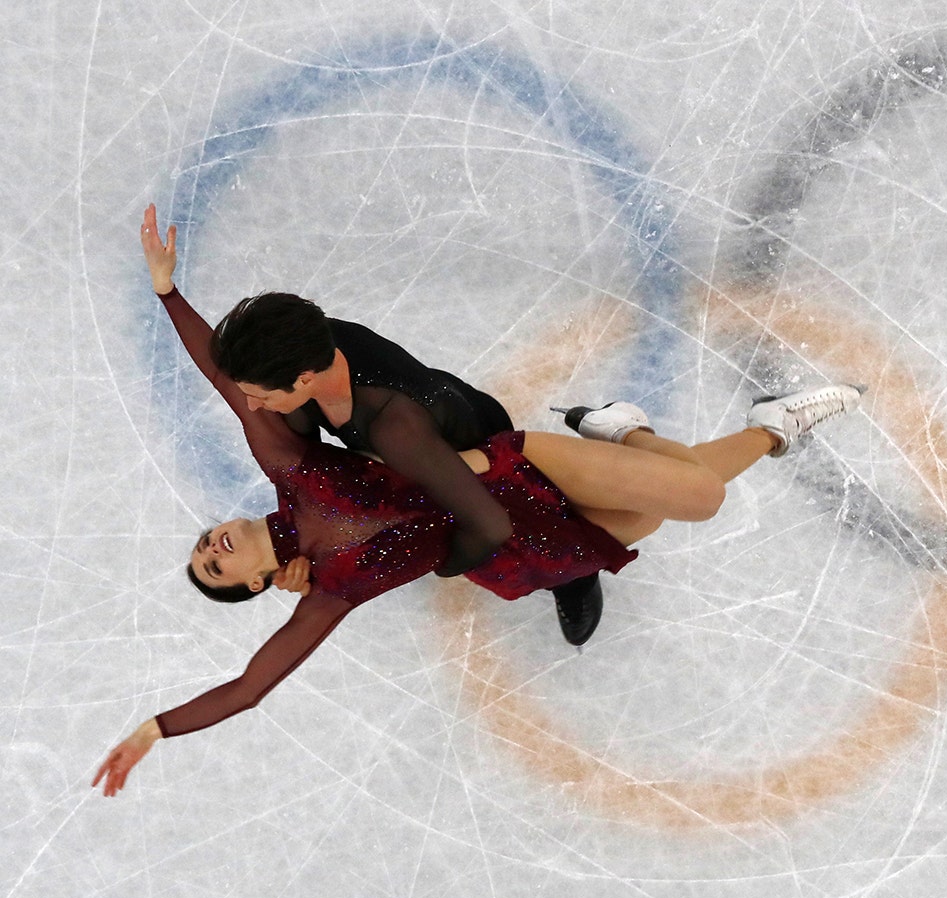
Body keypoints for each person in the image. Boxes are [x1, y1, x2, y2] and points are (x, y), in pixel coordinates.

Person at [91, 210, 863, 797]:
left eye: (203, 543)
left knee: (697, 498)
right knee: (648, 517)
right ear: (255, 586)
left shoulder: (322, 453)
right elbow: (256, 682)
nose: (212, 547)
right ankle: (652, 433)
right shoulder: (323, 575)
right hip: (496, 541)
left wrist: (451, 554)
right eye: (215, 569)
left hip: (495, 470)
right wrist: (156, 729)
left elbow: (232, 388)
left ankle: (736, 427)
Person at [136, 205, 606, 647]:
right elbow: (244, 398)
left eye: (259, 392)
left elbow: (485, 527)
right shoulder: (299, 359)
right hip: (412, 450)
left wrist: (442, 563)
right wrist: (294, 547)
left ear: (300, 379)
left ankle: (577, 573)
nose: (251, 405)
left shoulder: (395, 424)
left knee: (531, 540)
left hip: (468, 445)